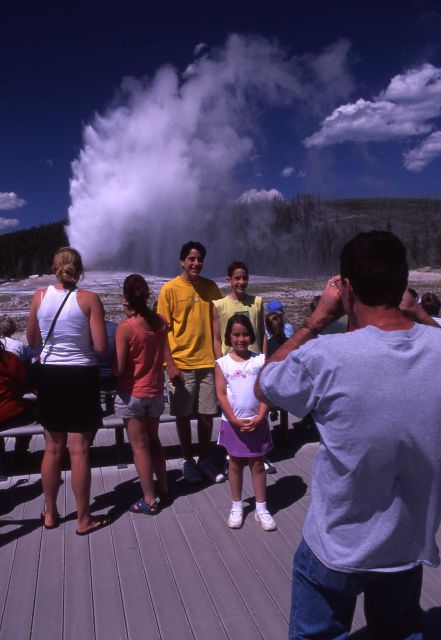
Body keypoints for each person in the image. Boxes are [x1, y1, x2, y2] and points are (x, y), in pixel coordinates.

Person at [255, 230, 441, 639]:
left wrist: (316, 321)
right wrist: (420, 315)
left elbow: (264, 383)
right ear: (402, 285)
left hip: (337, 547)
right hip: (406, 546)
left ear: (347, 289)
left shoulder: (325, 356)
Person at [27, 247, 111, 535]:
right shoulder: (88, 299)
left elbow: (33, 340)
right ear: (80, 269)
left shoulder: (39, 297)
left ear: (54, 267)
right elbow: (101, 348)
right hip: (81, 376)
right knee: (79, 450)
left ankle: (50, 513)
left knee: (52, 449)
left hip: (51, 375)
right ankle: (83, 519)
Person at [157, 241, 224, 484]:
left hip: (207, 362)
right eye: (191, 259)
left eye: (199, 259)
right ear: (182, 261)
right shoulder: (170, 290)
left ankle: (204, 458)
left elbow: (221, 319)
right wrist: (170, 364)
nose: (196, 263)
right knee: (183, 415)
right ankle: (188, 460)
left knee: (207, 415)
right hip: (181, 363)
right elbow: (162, 330)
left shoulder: (210, 287)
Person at [114, 274, 170, 514]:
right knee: (154, 441)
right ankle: (165, 488)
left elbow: (118, 367)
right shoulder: (161, 322)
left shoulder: (125, 329)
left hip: (133, 392)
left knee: (139, 446)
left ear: (126, 298)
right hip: (155, 391)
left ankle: (149, 500)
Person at [215, 314, 275, 531]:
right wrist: (232, 418)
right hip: (232, 423)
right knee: (235, 464)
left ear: (251, 336)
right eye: (236, 334)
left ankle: (261, 508)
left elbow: (266, 391)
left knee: (258, 464)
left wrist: (260, 417)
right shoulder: (222, 363)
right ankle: (237, 506)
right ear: (229, 336)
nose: (241, 338)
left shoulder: (260, 360)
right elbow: (221, 394)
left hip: (257, 421)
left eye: (245, 334)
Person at [212, 261, 265, 358]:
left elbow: (262, 333)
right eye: (237, 278)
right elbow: (216, 339)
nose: (241, 282)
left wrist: (264, 358)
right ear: (229, 280)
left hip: (254, 359)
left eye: (244, 278)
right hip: (229, 362)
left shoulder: (257, 302)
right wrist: (219, 363)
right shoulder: (219, 305)